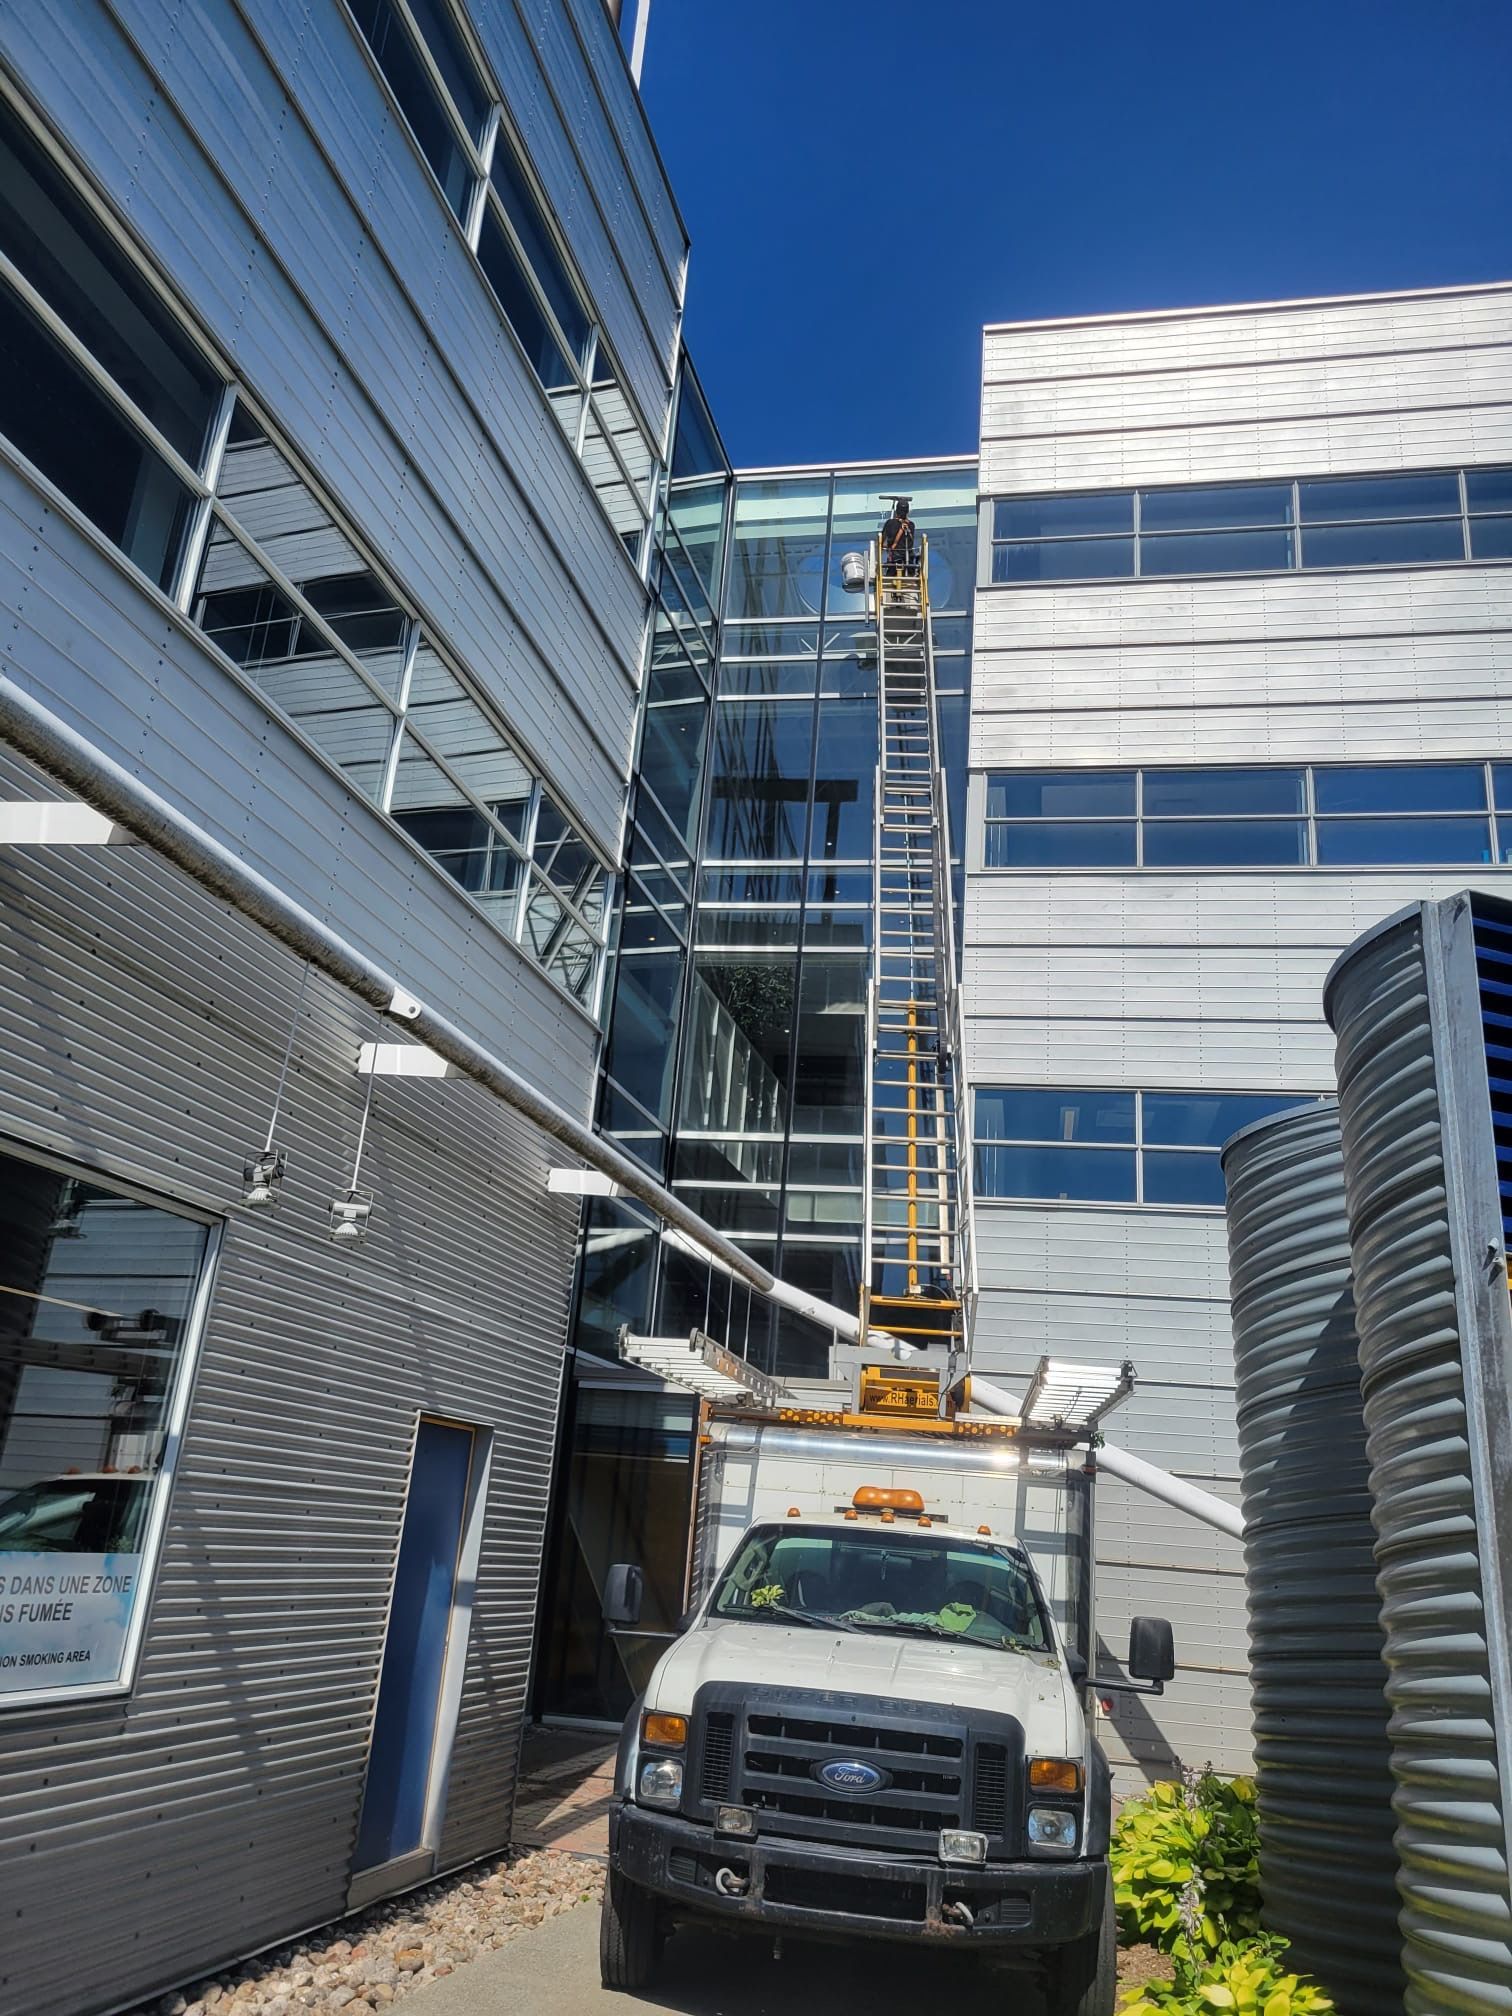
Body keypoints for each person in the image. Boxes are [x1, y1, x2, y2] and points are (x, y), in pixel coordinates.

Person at [880, 496, 917, 575]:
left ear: (896, 511)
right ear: (907, 512)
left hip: (894, 563)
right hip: (909, 564)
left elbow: (881, 542)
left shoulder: (890, 523)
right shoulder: (911, 525)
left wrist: (884, 547)